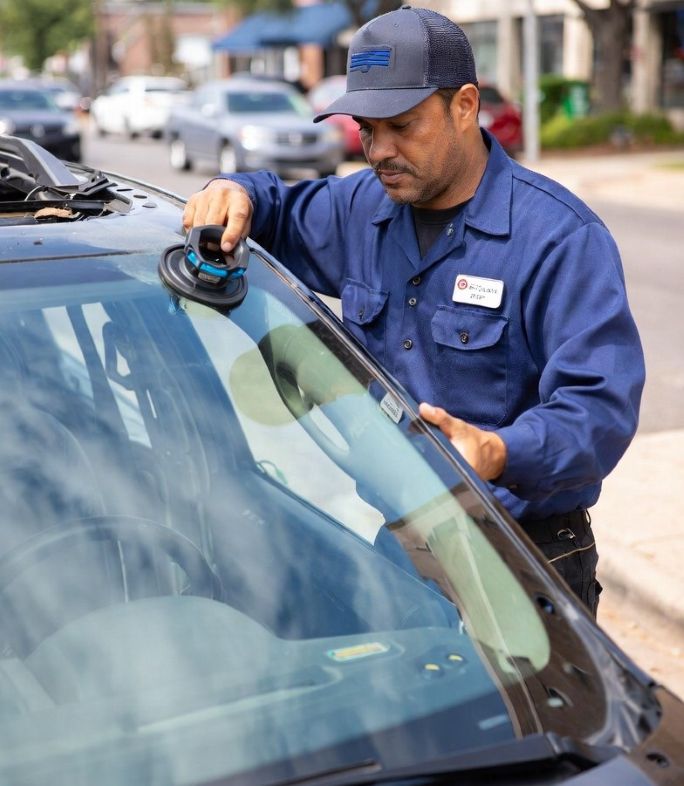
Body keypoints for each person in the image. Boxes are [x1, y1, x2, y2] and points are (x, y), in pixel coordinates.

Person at [183, 5, 645, 615]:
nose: (380, 151)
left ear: (465, 106)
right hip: (399, 551)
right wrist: (234, 191)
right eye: (368, 129)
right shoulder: (359, 209)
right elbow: (277, 210)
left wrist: (498, 452)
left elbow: (599, 409)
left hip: (522, 558)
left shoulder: (558, 238)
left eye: (402, 125)